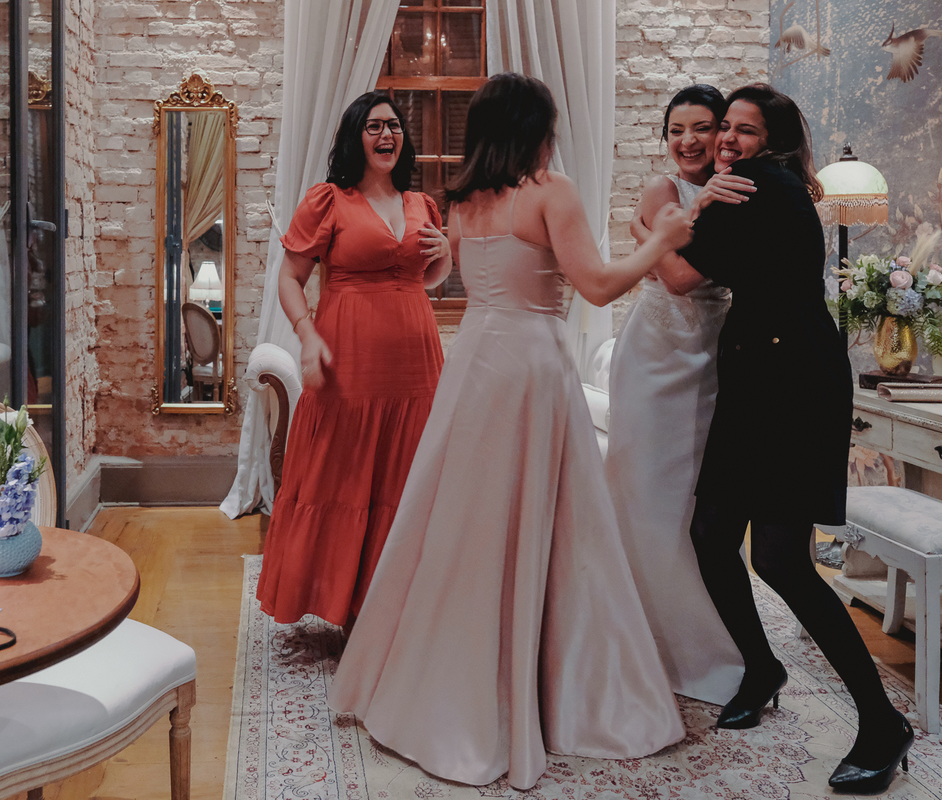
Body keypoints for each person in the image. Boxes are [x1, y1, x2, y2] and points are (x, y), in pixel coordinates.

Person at [329, 73, 691, 790]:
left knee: (464, 520)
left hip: (474, 363)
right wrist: (663, 240)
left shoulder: (463, 201)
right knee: (551, 521)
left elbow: (443, 278)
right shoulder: (550, 191)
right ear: (537, 129)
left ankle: (444, 676)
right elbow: (597, 286)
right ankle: (555, 681)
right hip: (530, 365)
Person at [676, 83, 913, 794]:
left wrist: (678, 210)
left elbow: (682, 270)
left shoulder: (756, 183)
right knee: (712, 535)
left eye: (744, 131)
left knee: (780, 559)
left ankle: (882, 723)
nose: (727, 139)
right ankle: (762, 666)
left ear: (771, 142)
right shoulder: (759, 183)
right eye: (726, 126)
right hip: (761, 378)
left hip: (793, 387)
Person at [256, 93, 453, 630]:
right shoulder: (328, 201)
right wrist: (307, 334)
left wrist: (446, 257)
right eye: (374, 126)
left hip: (416, 365)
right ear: (354, 136)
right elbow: (290, 277)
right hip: (348, 361)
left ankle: (391, 607)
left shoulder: (421, 204)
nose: (387, 134)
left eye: (394, 125)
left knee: (405, 478)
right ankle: (341, 603)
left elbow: (426, 279)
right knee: (338, 476)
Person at [605, 85, 750, 705]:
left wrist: (645, 232)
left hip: (712, 353)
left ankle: (707, 640)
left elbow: (689, 271)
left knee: (693, 504)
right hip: (654, 358)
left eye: (702, 127)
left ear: (724, 132)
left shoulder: (740, 192)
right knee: (646, 494)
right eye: (676, 130)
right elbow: (672, 278)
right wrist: (654, 224)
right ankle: (643, 640)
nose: (688, 141)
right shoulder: (663, 190)